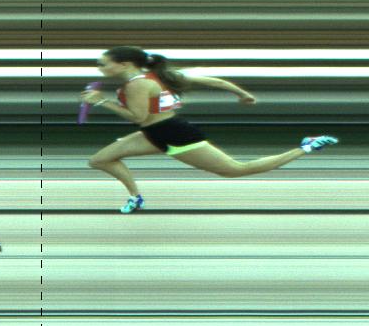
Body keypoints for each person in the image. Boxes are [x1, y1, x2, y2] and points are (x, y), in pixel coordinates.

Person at [81, 46, 338, 213]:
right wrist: (242, 94)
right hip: (155, 133)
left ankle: (305, 147)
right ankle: (136, 198)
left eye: (103, 64)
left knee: (236, 170)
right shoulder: (160, 75)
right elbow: (215, 81)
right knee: (100, 159)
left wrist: (102, 102)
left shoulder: (137, 85)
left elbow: (138, 117)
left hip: (174, 135)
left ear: (124, 64)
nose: (100, 68)